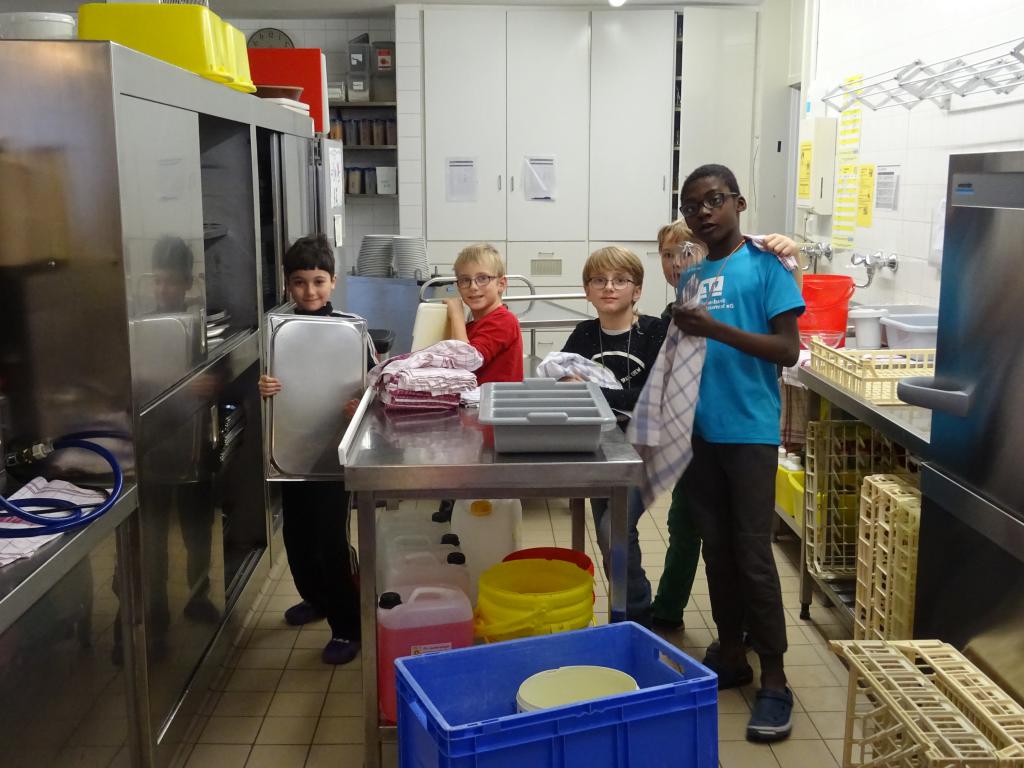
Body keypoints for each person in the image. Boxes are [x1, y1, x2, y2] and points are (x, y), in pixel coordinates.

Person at [673, 164, 804, 742]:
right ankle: (731, 655)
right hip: (700, 433)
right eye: (691, 205)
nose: (703, 212)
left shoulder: (767, 265)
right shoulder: (693, 274)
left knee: (752, 555)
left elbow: (787, 350)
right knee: (717, 551)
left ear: (738, 203)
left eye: (714, 200)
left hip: (748, 432)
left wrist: (714, 330)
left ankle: (774, 679)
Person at [650, 223, 801, 632]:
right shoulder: (676, 309)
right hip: (696, 438)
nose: (677, 263)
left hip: (743, 434)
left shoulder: (743, 286)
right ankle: (677, 614)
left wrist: (794, 258)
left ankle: (755, 637)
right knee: (691, 531)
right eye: (668, 255)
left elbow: (786, 338)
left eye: (687, 253)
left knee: (745, 546)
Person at [258, 234, 361, 666]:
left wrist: (360, 401)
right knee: (297, 540)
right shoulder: (276, 331)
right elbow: (266, 380)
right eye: (299, 282)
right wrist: (262, 386)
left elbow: (373, 382)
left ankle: (348, 625)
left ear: (333, 281)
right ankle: (315, 599)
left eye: (318, 281)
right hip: (290, 454)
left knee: (330, 544)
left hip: (332, 457)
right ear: (288, 284)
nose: (310, 291)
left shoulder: (351, 330)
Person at [559, 246, 667, 624]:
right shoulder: (584, 334)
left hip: (645, 448)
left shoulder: (654, 331)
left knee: (612, 528)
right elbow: (564, 383)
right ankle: (627, 612)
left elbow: (652, 397)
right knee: (611, 535)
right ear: (587, 291)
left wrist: (593, 392)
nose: (609, 287)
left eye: (620, 280)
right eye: (599, 280)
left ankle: (636, 614)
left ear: (637, 290)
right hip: (599, 446)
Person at [433, 243, 524, 523]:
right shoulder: (475, 325)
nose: (473, 287)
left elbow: (467, 361)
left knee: (486, 506)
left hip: (495, 425)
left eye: (483, 278)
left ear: (502, 284)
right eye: (465, 280)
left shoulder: (503, 320)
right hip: (476, 422)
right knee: (467, 500)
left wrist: (456, 316)